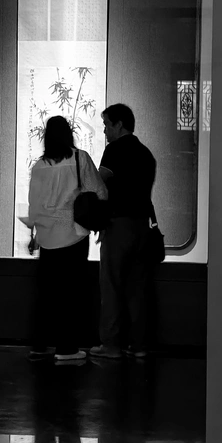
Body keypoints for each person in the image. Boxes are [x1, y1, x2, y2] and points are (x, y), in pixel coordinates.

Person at [21, 115, 108, 362]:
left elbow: (34, 203)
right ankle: (66, 349)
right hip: (73, 235)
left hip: (47, 237)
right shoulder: (80, 159)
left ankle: (39, 345)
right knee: (70, 293)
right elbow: (100, 191)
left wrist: (35, 234)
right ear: (69, 133)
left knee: (46, 293)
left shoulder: (39, 166)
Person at [90, 104, 157, 360]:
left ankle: (111, 345)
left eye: (107, 125)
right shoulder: (146, 154)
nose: (105, 131)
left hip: (118, 226)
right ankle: (139, 345)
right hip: (142, 227)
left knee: (112, 285)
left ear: (119, 124)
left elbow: (99, 183)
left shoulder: (115, 150)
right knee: (137, 288)